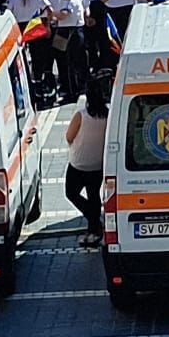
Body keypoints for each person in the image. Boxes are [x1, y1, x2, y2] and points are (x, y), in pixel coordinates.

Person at [63, 76, 110, 249]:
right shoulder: (108, 115)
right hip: (97, 164)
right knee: (93, 195)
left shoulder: (81, 115)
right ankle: (94, 227)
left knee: (71, 193)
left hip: (79, 164)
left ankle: (94, 222)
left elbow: (69, 136)